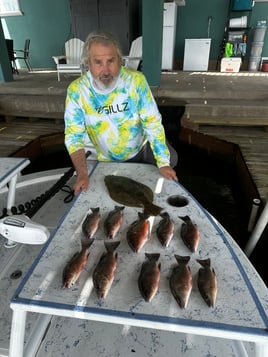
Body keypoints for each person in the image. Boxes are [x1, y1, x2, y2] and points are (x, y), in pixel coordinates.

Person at [64, 31, 178, 195]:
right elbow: (73, 135)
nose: (105, 70)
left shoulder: (136, 80)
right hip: (107, 156)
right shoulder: (76, 90)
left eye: (111, 61)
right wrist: (82, 173)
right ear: (88, 63)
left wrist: (163, 163)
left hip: (140, 148)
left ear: (120, 60)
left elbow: (152, 122)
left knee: (171, 159)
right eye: (98, 62)